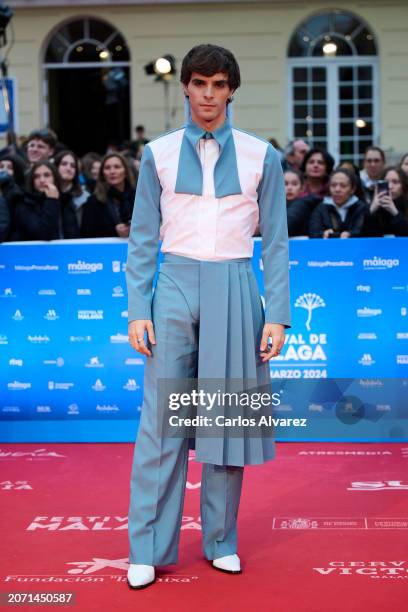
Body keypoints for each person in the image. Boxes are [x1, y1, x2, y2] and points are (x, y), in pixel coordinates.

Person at [126, 43, 290, 590]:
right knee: (162, 425)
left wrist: (278, 316)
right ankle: (147, 547)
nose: (209, 95)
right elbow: (143, 241)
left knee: (226, 425)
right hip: (172, 285)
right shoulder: (158, 154)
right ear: (186, 88)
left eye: (219, 85)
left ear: (231, 90)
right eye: (200, 84)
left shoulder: (260, 155)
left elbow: (277, 246)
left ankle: (221, 541)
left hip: (236, 285)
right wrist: (136, 310)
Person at [9, 160, 80, 241]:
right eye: (36, 176)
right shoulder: (24, 203)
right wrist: (51, 200)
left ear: (55, 178)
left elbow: (74, 235)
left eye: (46, 175)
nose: (42, 180)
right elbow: (45, 235)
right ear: (32, 181)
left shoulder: (66, 201)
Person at [81, 153, 136, 238]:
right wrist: (114, 231)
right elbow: (86, 235)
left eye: (117, 167)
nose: (112, 171)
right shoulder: (93, 202)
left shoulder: (138, 198)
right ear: (103, 174)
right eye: (107, 168)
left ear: (126, 172)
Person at [309, 168, 367, 238]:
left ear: (353, 189)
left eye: (343, 186)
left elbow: (363, 232)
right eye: (333, 185)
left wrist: (350, 235)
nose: (337, 190)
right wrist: (322, 234)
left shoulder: (361, 208)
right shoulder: (321, 208)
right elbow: (313, 233)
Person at [362, 166, 408, 236]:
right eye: (386, 182)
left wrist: (395, 212)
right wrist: (372, 209)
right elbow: (363, 234)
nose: (390, 186)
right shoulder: (372, 206)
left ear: (404, 185)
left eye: (395, 182)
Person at [54, 150, 90, 227]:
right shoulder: (46, 195)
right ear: (55, 167)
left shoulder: (86, 198)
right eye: (64, 164)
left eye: (73, 166)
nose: (68, 168)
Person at [284, 169, 321, 237]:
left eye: (294, 184)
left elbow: (284, 227)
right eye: (285, 184)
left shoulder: (302, 204)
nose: (289, 188)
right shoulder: (276, 205)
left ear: (302, 188)